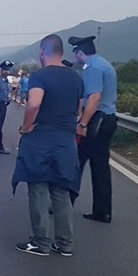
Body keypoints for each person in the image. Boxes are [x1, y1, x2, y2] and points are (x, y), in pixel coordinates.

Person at [12, 34, 83, 256]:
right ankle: (65, 244)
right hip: (66, 142)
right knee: (61, 191)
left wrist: (25, 128)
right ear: (62, 52)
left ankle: (41, 242)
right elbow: (78, 109)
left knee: (38, 189)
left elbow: (34, 104)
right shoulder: (75, 78)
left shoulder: (40, 76)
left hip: (41, 141)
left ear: (43, 52)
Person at [70, 35, 119, 223]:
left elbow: (94, 98)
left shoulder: (92, 68)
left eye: (75, 52)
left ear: (80, 52)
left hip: (95, 121)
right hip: (108, 118)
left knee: (76, 161)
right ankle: (103, 211)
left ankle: (64, 203)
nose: (75, 56)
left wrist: (82, 124)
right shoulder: (104, 64)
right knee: (100, 167)